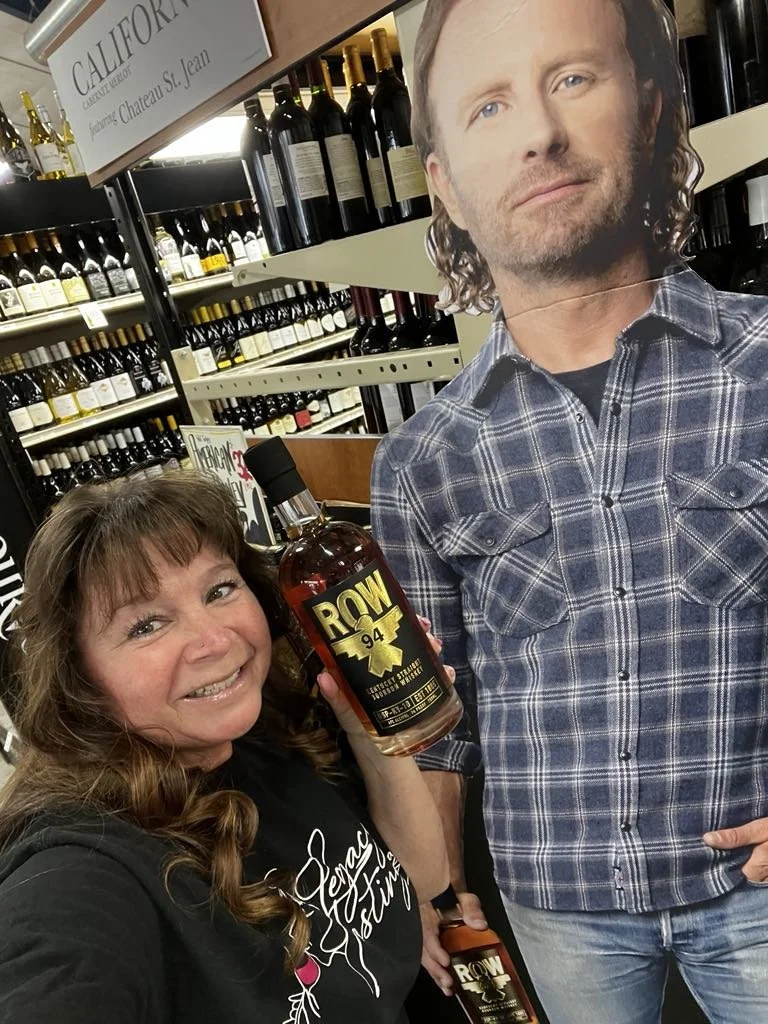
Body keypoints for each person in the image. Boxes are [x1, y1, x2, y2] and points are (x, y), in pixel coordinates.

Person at [370, 0, 768, 1020]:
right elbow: (429, 727)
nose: (539, 132)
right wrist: (435, 896)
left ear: (648, 110)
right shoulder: (423, 463)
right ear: (446, 186)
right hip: (561, 910)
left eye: (573, 79)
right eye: (490, 105)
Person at [0, 472, 450, 1024]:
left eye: (219, 590)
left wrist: (365, 724)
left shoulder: (275, 728)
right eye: (145, 625)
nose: (215, 640)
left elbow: (422, 879)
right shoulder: (85, 863)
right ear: (79, 678)